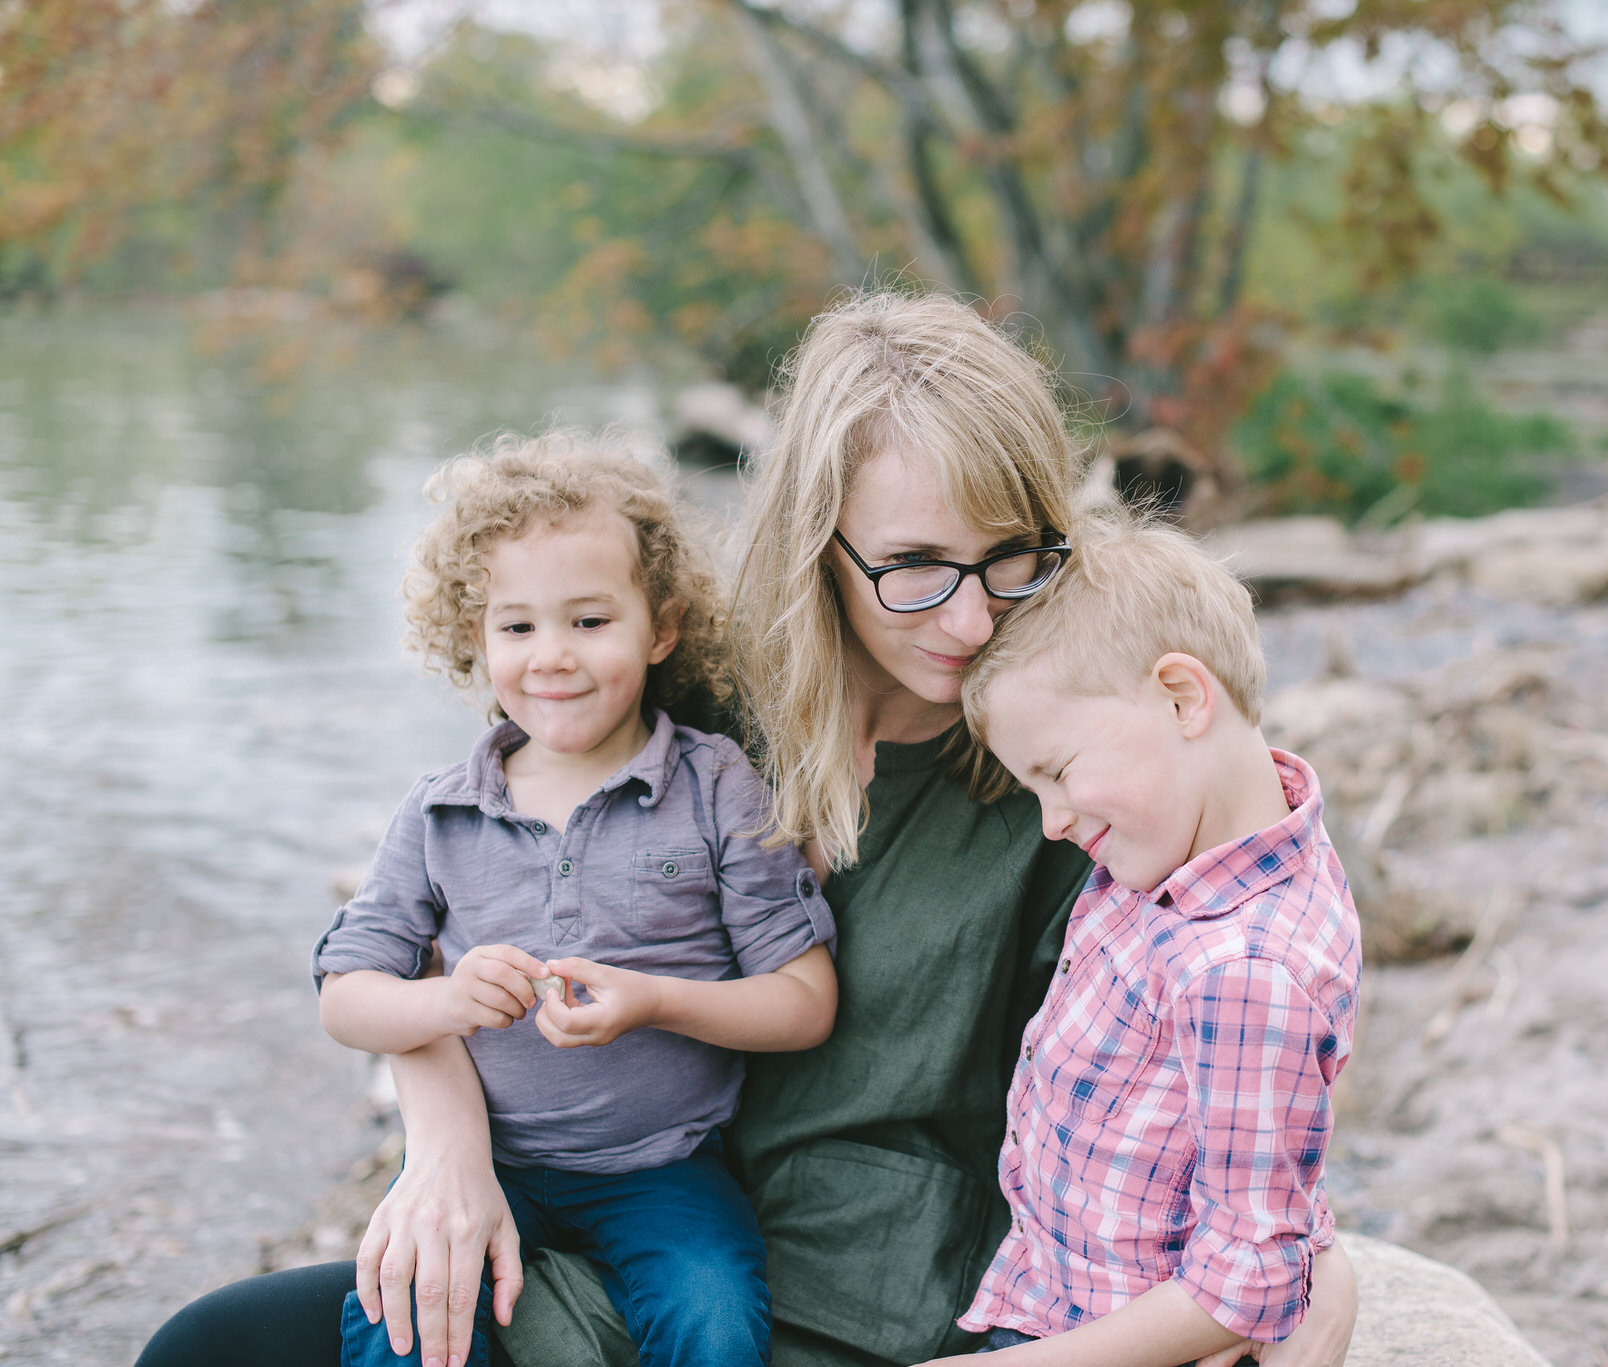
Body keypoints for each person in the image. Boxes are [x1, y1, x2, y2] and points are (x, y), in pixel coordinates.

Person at [133, 289, 1361, 1367]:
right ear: (814, 544)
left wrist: (1315, 1282)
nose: (974, 620)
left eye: (1012, 558)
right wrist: (443, 1142)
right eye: (916, 563)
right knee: (205, 1343)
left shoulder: (1068, 779)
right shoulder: (685, 704)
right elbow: (434, 908)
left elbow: (1229, 1039)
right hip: (605, 1202)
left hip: (862, 1291)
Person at [312, 435, 839, 1367]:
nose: (551, 656)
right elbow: (347, 994)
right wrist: (445, 998)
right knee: (399, 1309)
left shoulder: (715, 786)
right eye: (517, 627)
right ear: (474, 637)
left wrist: (657, 999)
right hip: (489, 1165)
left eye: (590, 621)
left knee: (715, 1317)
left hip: (664, 1166)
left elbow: (804, 1001)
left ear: (661, 626)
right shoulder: (439, 812)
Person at [930, 514, 1361, 1367]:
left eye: (1055, 772)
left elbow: (1245, 1277)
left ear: (1182, 697)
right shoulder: (1178, 849)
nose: (1051, 821)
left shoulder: (1245, 970)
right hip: (1062, 1291)